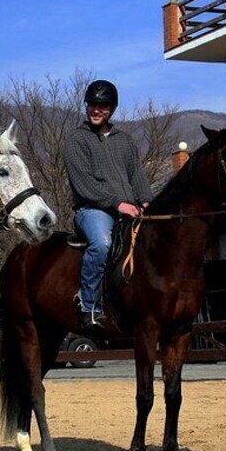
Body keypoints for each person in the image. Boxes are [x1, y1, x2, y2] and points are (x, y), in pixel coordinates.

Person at [64, 80, 153, 331]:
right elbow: (84, 185)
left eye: (103, 105)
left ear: (112, 108)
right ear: (86, 105)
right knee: (102, 245)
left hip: (129, 208)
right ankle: (89, 305)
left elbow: (137, 173)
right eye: (93, 104)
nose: (97, 109)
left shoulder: (124, 140)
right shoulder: (76, 141)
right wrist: (118, 204)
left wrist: (145, 200)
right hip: (93, 210)